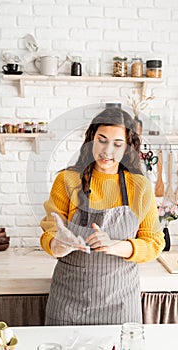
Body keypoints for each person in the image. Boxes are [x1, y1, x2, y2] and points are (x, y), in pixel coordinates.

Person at [40, 106, 165, 326]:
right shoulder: (67, 180)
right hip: (68, 301)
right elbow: (49, 234)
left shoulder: (140, 186)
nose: (107, 151)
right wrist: (60, 244)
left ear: (127, 148)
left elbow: (153, 243)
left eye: (117, 144)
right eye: (102, 140)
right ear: (91, 140)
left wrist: (115, 245)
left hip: (120, 303)